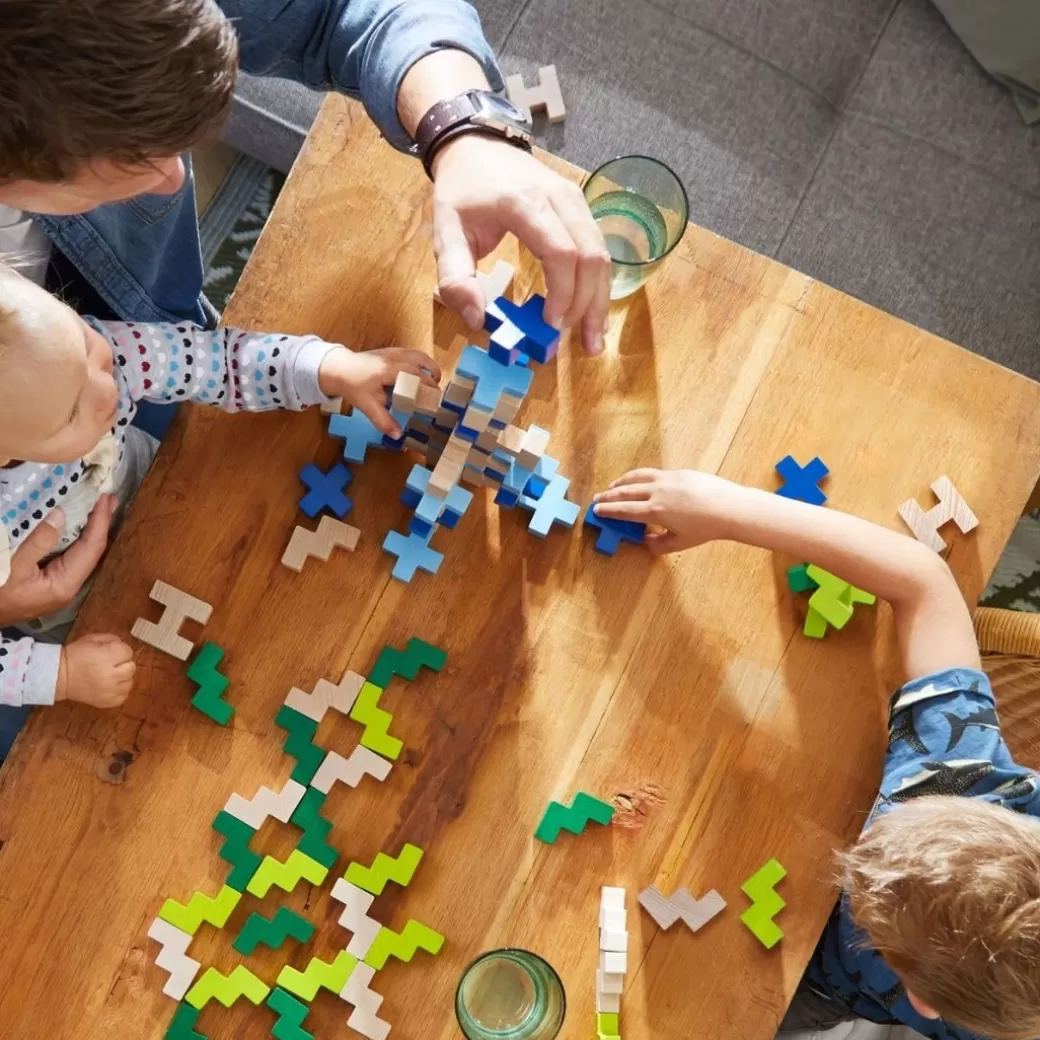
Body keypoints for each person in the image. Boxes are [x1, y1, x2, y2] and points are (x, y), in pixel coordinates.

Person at [0, 0, 611, 748]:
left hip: (137, 460)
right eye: (128, 160)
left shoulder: (109, 356)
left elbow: (182, 357)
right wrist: (42, 664)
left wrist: (467, 130)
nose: (172, 181)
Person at [593, 469, 1040, 1040]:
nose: (853, 855)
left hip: (824, 986)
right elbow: (925, 580)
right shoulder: (956, 772)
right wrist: (725, 507)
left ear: (922, 1003)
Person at [0, 262, 439, 716]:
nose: (108, 388)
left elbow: (220, 361)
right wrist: (62, 673)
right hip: (77, 605)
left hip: (164, 492)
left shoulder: (96, 355)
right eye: (71, 414)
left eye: (85, 344)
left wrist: (329, 366)